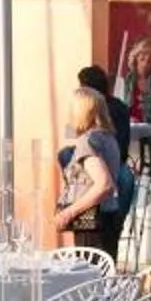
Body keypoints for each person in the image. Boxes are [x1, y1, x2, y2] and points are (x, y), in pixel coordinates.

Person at [53, 88, 129, 256]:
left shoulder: (88, 142)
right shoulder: (109, 138)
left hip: (92, 221)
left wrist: (69, 212)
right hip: (108, 215)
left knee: (89, 275)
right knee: (104, 274)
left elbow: (104, 185)